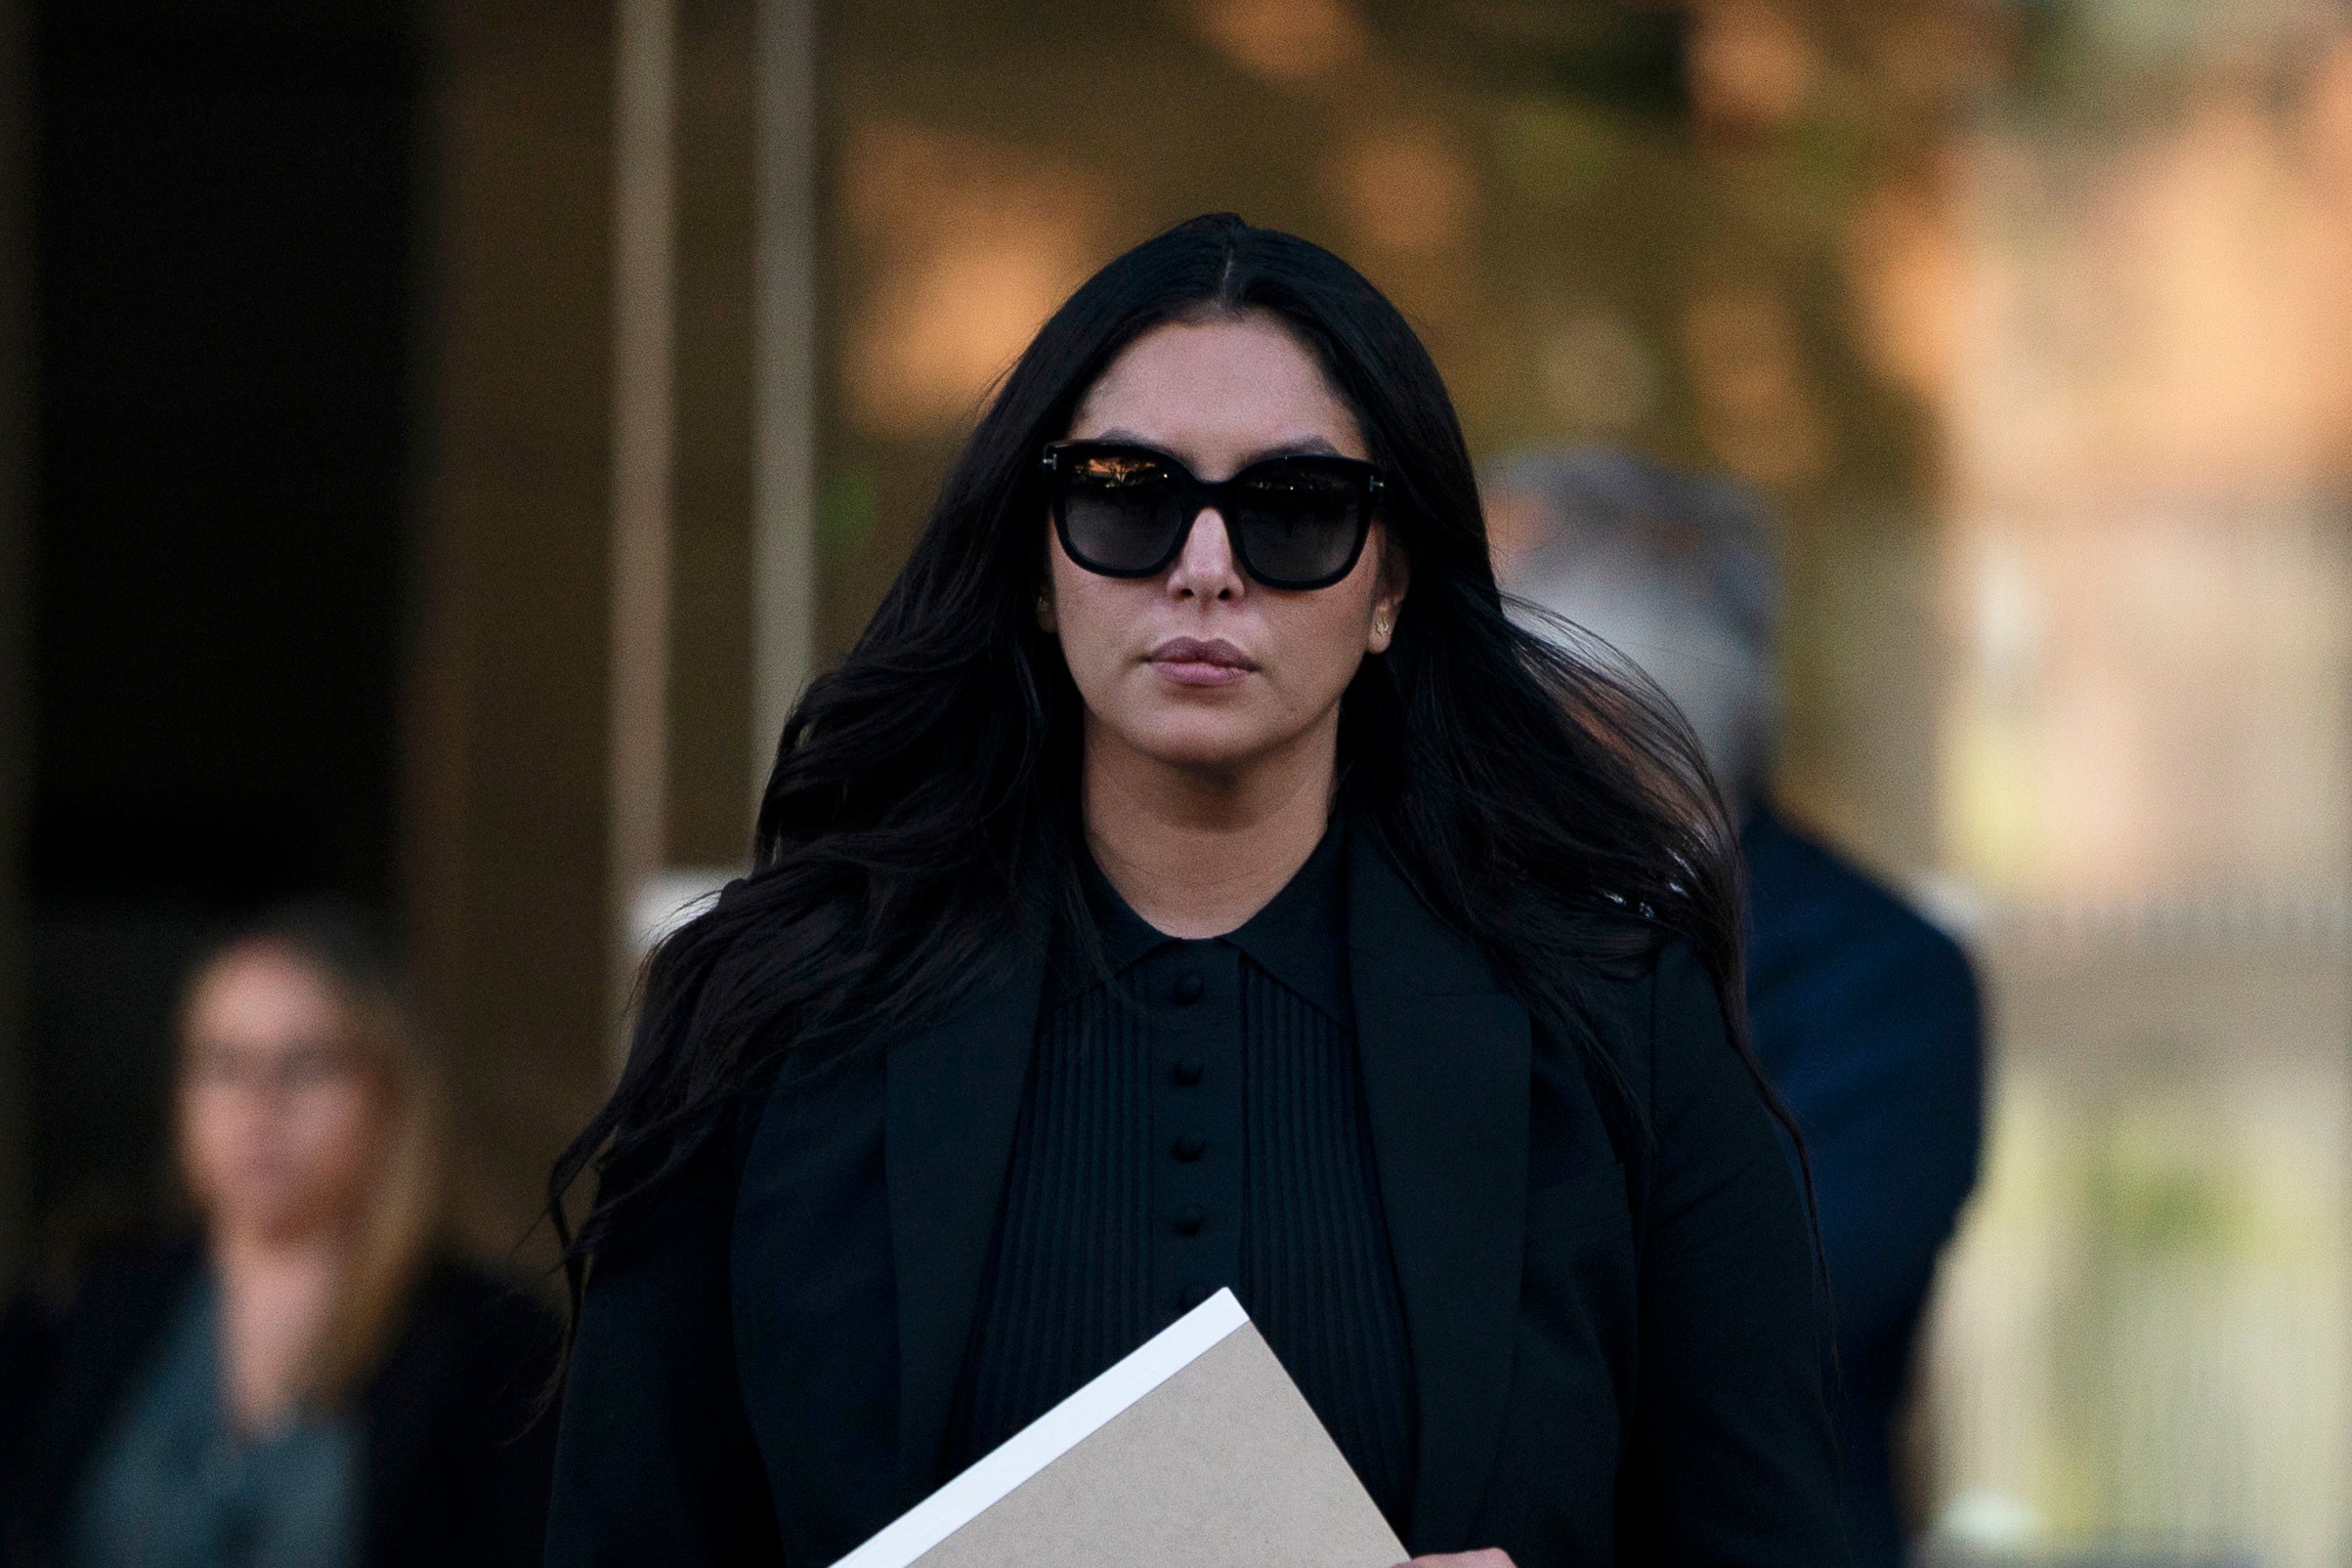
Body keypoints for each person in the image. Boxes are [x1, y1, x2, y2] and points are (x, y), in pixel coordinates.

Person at [544, 215, 1845, 1567]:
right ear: (1037, 562)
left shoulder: (1614, 1024)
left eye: (1294, 509)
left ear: (1390, 579)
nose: (1205, 566)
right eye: (1125, 491)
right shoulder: (774, 1017)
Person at [1483, 449, 1986, 1568]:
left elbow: (1775, 1317)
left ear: (1615, 711)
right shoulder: (1446, 929)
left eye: (1501, 687)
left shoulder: (1879, 978)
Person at [3, 904, 560, 1568]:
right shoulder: (83, 1306)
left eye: (306, 1063)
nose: (260, 1102)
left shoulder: (497, 1347)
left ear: (389, 1093)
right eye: (225, 1063)